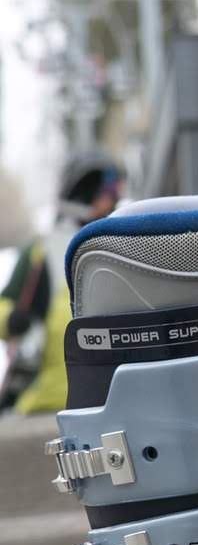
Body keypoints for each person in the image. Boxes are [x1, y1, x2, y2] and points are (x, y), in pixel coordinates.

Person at [0, 149, 123, 414]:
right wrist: (11, 319)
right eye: (106, 192)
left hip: (111, 398)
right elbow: (3, 306)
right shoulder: (41, 253)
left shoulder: (121, 246)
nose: (112, 199)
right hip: (46, 405)